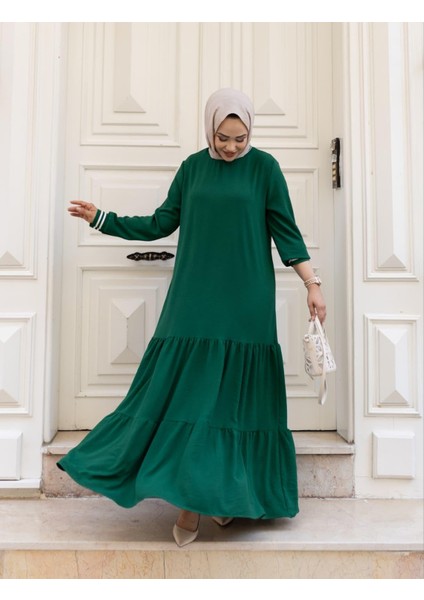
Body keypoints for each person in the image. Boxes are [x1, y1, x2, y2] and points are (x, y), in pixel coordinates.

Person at [58, 88, 326, 547]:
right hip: (193, 297)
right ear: (209, 129)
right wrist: (103, 218)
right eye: (223, 138)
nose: (231, 147)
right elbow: (160, 223)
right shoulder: (192, 168)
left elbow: (287, 233)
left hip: (246, 299)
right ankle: (192, 502)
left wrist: (312, 284)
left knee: (231, 402)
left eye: (240, 139)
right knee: (191, 399)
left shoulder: (265, 169)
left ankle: (216, 496)